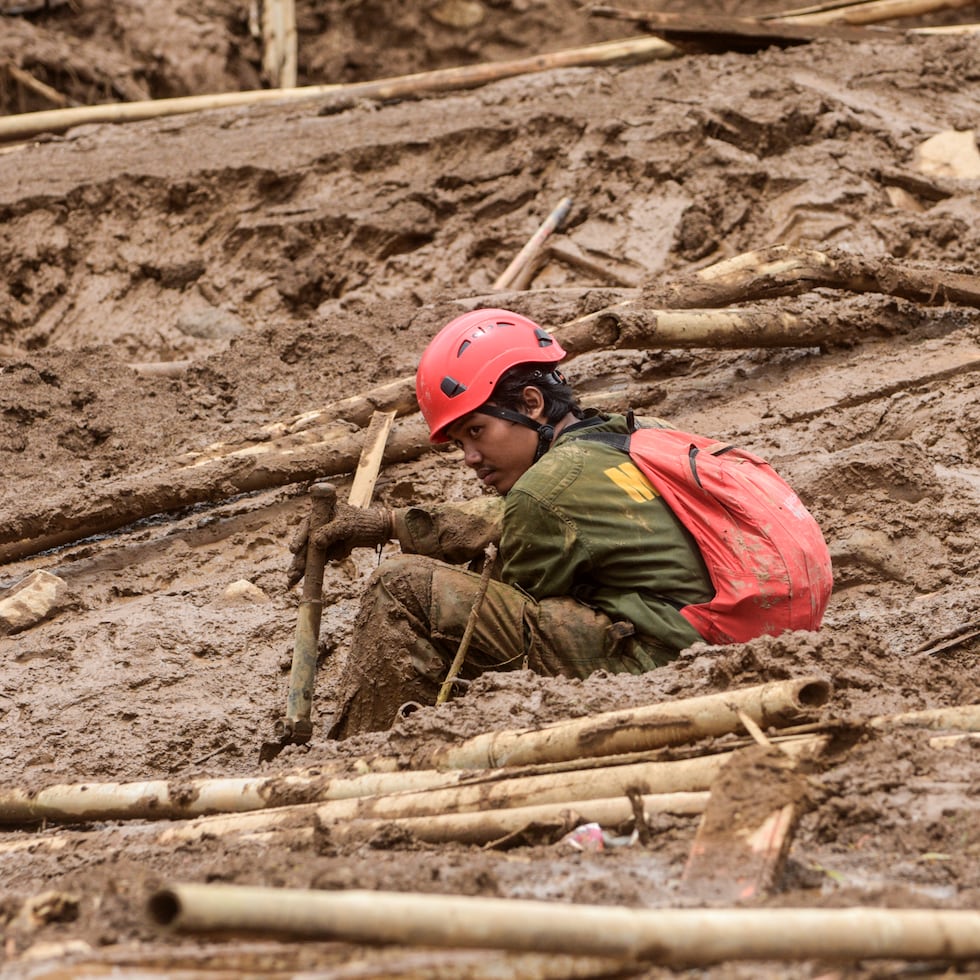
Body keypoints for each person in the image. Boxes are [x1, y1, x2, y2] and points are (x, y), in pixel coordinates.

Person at [289, 308, 827, 739]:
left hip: (671, 664)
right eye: (458, 444)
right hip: (746, 635)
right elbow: (514, 516)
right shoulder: (629, 438)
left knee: (401, 588)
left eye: (476, 431)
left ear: (531, 403)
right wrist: (386, 523)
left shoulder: (544, 493)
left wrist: (418, 558)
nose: (470, 458)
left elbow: (501, 589)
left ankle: (365, 749)